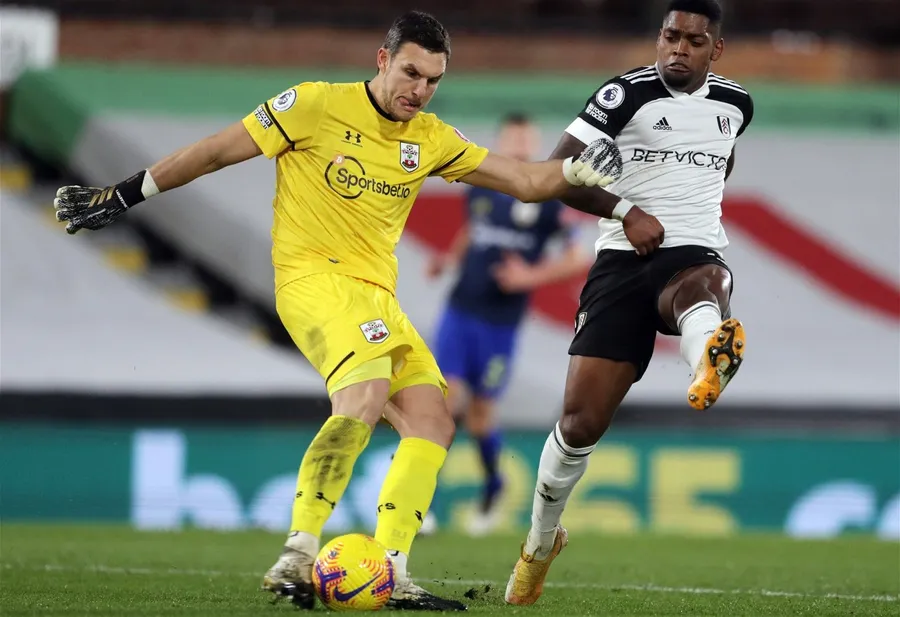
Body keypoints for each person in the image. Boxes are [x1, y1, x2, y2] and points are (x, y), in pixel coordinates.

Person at [52, 11, 623, 612]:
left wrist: (573, 171)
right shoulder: (315, 105)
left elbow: (526, 181)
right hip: (313, 280)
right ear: (382, 59)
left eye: (433, 80)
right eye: (410, 73)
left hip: (378, 296)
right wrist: (123, 193)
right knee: (365, 390)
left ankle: (393, 571)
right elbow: (217, 151)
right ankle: (297, 553)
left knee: (432, 419)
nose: (420, 90)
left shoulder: (429, 137)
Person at [504, 0, 754, 606]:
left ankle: (707, 359)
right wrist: (625, 209)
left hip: (692, 249)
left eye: (694, 41)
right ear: (659, 37)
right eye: (670, 36)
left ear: (715, 49)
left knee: (705, 284)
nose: (678, 49)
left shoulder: (736, 105)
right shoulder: (625, 95)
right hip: (622, 260)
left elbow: (721, 161)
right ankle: (540, 543)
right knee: (579, 425)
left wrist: (689, 208)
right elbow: (554, 172)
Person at [424, 113, 592, 536]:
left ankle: (493, 485)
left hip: (500, 324)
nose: (518, 145)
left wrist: (529, 277)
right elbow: (472, 229)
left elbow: (579, 256)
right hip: (460, 311)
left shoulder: (550, 198)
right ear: (501, 141)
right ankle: (422, 503)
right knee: (447, 402)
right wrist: (449, 259)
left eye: (524, 138)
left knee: (480, 416)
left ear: (533, 144)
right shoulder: (481, 185)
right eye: (511, 138)